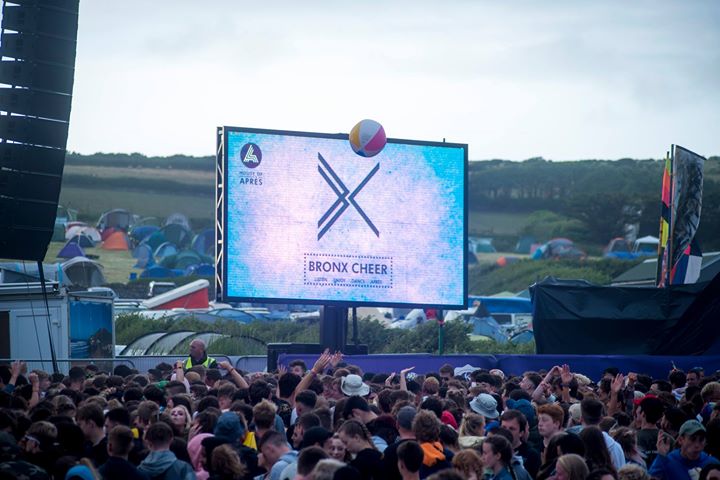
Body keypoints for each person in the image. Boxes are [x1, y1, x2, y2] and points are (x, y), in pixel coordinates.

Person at [649, 420, 720, 479]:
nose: (697, 445)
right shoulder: (668, 461)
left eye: (701, 440)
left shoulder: (712, 464)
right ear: (680, 440)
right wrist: (661, 456)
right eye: (693, 439)